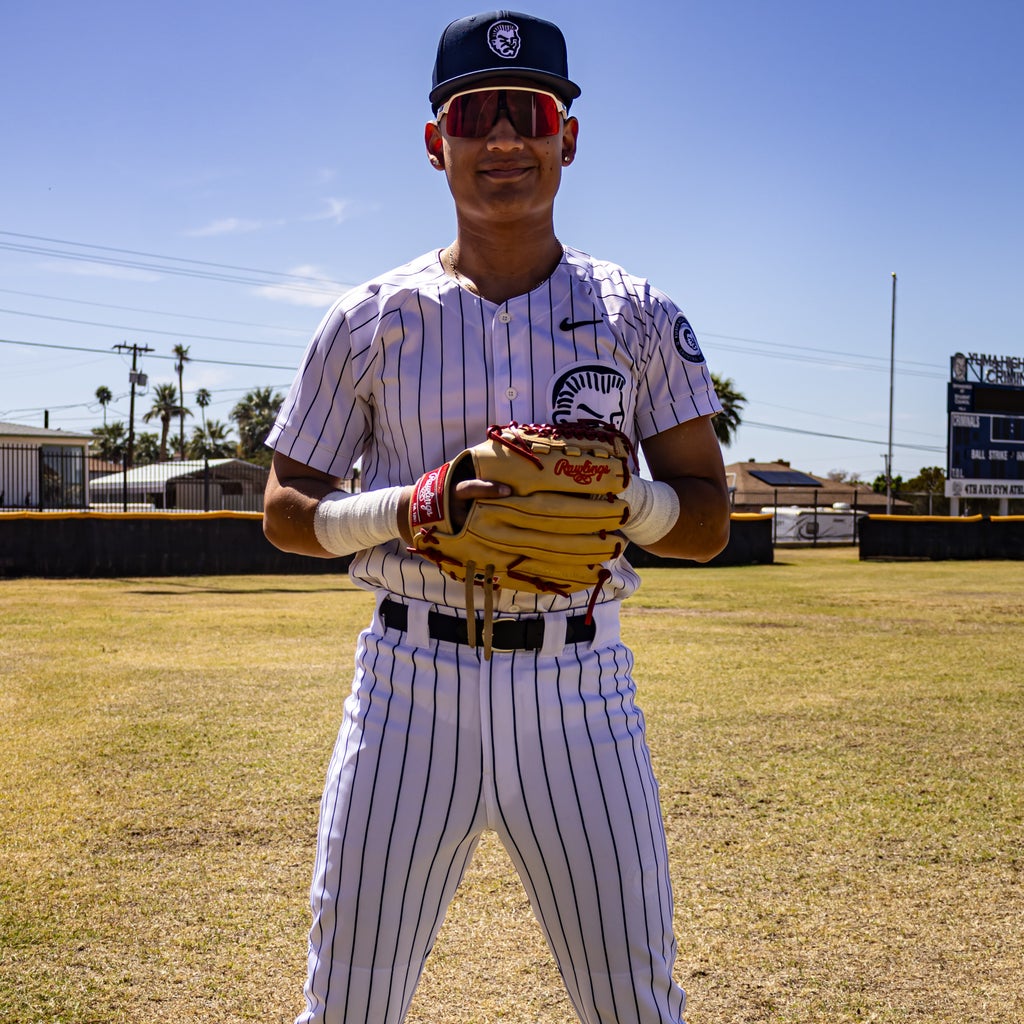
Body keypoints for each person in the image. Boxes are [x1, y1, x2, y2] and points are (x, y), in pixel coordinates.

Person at [263, 11, 731, 1024]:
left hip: (579, 683)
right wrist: (407, 506)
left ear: (568, 135)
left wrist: (626, 499)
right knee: (346, 1006)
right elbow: (286, 510)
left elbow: (705, 520)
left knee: (637, 1007)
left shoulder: (637, 312)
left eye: (531, 111)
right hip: (407, 686)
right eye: (478, 115)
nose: (505, 139)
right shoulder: (369, 317)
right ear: (438, 142)